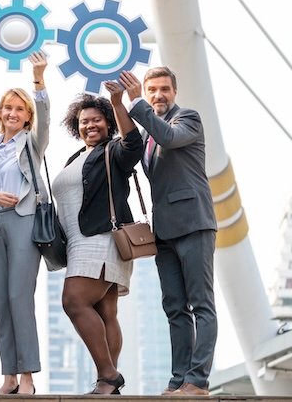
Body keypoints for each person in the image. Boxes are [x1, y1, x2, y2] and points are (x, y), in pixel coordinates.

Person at [120, 67, 217, 396]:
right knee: (174, 307)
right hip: (164, 232)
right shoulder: (148, 131)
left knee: (201, 304)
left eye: (164, 89)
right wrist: (120, 103)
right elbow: (140, 139)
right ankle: (178, 380)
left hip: (194, 224)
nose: (158, 95)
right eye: (152, 90)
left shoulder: (187, 118)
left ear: (174, 92)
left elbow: (170, 138)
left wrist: (136, 102)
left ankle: (198, 380)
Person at [52, 86, 142, 395]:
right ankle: (107, 383)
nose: (90, 126)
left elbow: (134, 145)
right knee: (106, 313)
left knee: (74, 300)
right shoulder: (77, 156)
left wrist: (118, 104)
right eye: (83, 122)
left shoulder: (113, 150)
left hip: (102, 237)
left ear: (108, 122)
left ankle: (108, 374)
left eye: (97, 120)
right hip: (78, 241)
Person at [0, 51, 49, 395]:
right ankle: (9, 377)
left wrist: (38, 81)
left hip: (22, 224)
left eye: (19, 109)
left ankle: (28, 376)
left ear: (27, 116)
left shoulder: (31, 145)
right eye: (8, 108)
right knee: (1, 300)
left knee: (20, 296)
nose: (12, 113)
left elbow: (45, 120)